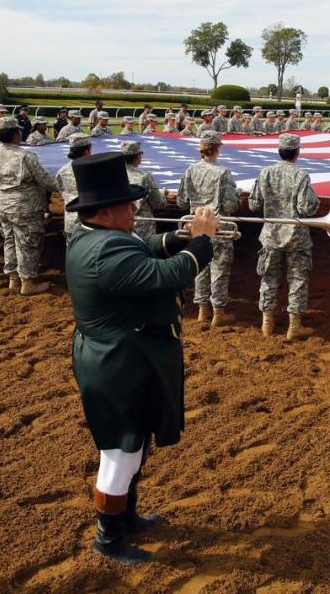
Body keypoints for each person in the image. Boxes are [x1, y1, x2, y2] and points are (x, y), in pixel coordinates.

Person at [65, 152, 217, 565]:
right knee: (121, 451)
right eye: (127, 204)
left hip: (125, 356)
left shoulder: (98, 236)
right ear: (105, 212)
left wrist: (177, 238)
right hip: (118, 363)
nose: (135, 208)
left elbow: (141, 248)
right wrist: (202, 243)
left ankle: (125, 516)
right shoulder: (105, 252)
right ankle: (109, 538)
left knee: (135, 444)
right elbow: (169, 275)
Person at [249, 134, 321, 339]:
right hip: (296, 238)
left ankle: (267, 323)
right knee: (297, 280)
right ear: (297, 152)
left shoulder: (266, 173)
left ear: (280, 151)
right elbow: (305, 208)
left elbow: (254, 205)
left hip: (270, 235)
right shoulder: (301, 175)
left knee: (268, 279)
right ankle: (294, 326)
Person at [0, 118, 58, 295]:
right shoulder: (25, 156)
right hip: (25, 207)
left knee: (9, 241)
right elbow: (45, 181)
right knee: (28, 243)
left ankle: (13, 279)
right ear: (16, 134)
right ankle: (28, 282)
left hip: (2, 206)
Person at [177, 131, 240, 327]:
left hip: (196, 225)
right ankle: (218, 312)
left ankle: (202, 310)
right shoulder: (223, 173)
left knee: (200, 267)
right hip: (218, 227)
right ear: (217, 149)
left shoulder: (190, 171)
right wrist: (237, 197)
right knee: (219, 269)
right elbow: (230, 206)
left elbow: (181, 201)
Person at [121, 141, 167, 239]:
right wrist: (163, 195)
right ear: (138, 156)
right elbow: (158, 203)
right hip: (142, 228)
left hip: (118, 225)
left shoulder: (113, 175)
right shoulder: (144, 177)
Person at [56, 133, 92, 242]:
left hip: (71, 221)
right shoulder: (95, 170)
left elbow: (60, 189)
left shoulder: (62, 171)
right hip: (90, 221)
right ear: (86, 151)